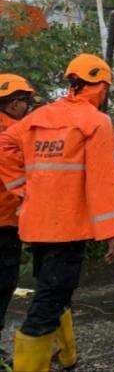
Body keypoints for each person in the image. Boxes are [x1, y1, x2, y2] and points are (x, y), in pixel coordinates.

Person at [0, 54, 114, 372]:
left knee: (54, 289)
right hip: (66, 228)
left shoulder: (41, 116)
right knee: (49, 300)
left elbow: (5, 146)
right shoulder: (96, 122)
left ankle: (67, 356)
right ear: (100, 86)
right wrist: (111, 233)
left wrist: (23, 188)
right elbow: (102, 181)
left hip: (36, 225)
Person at [0, 74, 35, 363]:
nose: (27, 106)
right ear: (13, 103)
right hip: (6, 221)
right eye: (25, 101)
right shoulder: (15, 133)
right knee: (3, 282)